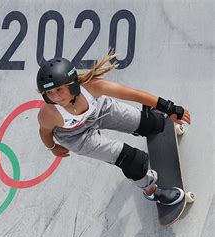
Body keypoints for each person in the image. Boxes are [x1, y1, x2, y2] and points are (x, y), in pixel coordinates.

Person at [36, 53, 191, 205]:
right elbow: (45, 132)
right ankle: (152, 191)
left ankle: (146, 125)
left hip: (99, 110)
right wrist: (52, 147)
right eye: (49, 92)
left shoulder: (92, 87)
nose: (55, 97)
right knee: (133, 161)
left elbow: (133, 94)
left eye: (59, 90)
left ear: (73, 85)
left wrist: (170, 108)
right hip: (75, 136)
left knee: (151, 122)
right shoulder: (49, 113)